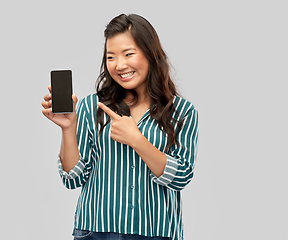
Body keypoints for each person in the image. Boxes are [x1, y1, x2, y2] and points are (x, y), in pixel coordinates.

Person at [42, 13, 198, 240]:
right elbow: (72, 178)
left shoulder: (182, 112)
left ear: (150, 54)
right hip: (96, 232)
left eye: (128, 54)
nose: (120, 65)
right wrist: (68, 129)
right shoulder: (91, 106)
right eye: (111, 57)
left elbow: (181, 176)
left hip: (155, 233)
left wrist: (137, 140)